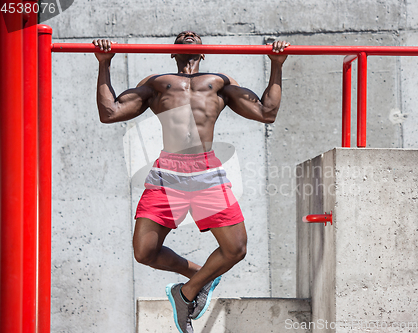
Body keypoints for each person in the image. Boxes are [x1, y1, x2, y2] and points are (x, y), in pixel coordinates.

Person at [93, 31, 289, 333]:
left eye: (194, 35)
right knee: (144, 252)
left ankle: (184, 293)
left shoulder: (220, 82)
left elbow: (267, 112)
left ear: (203, 52)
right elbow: (110, 112)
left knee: (235, 248)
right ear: (173, 52)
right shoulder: (157, 82)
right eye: (181, 36)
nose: (187, 34)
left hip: (206, 173)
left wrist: (276, 64)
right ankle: (201, 276)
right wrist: (104, 64)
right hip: (168, 173)